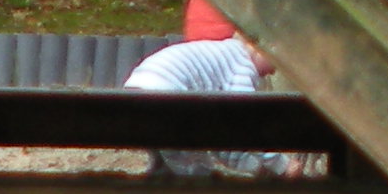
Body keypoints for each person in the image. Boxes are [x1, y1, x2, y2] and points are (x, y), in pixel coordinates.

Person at [124, 28, 295, 180]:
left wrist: (257, 166)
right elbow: (246, 123)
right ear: (258, 48)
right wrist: (282, 166)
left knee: (177, 157)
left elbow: (221, 135)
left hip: (134, 95)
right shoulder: (242, 65)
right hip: (166, 97)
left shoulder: (224, 56)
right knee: (196, 169)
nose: (273, 71)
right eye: (276, 62)